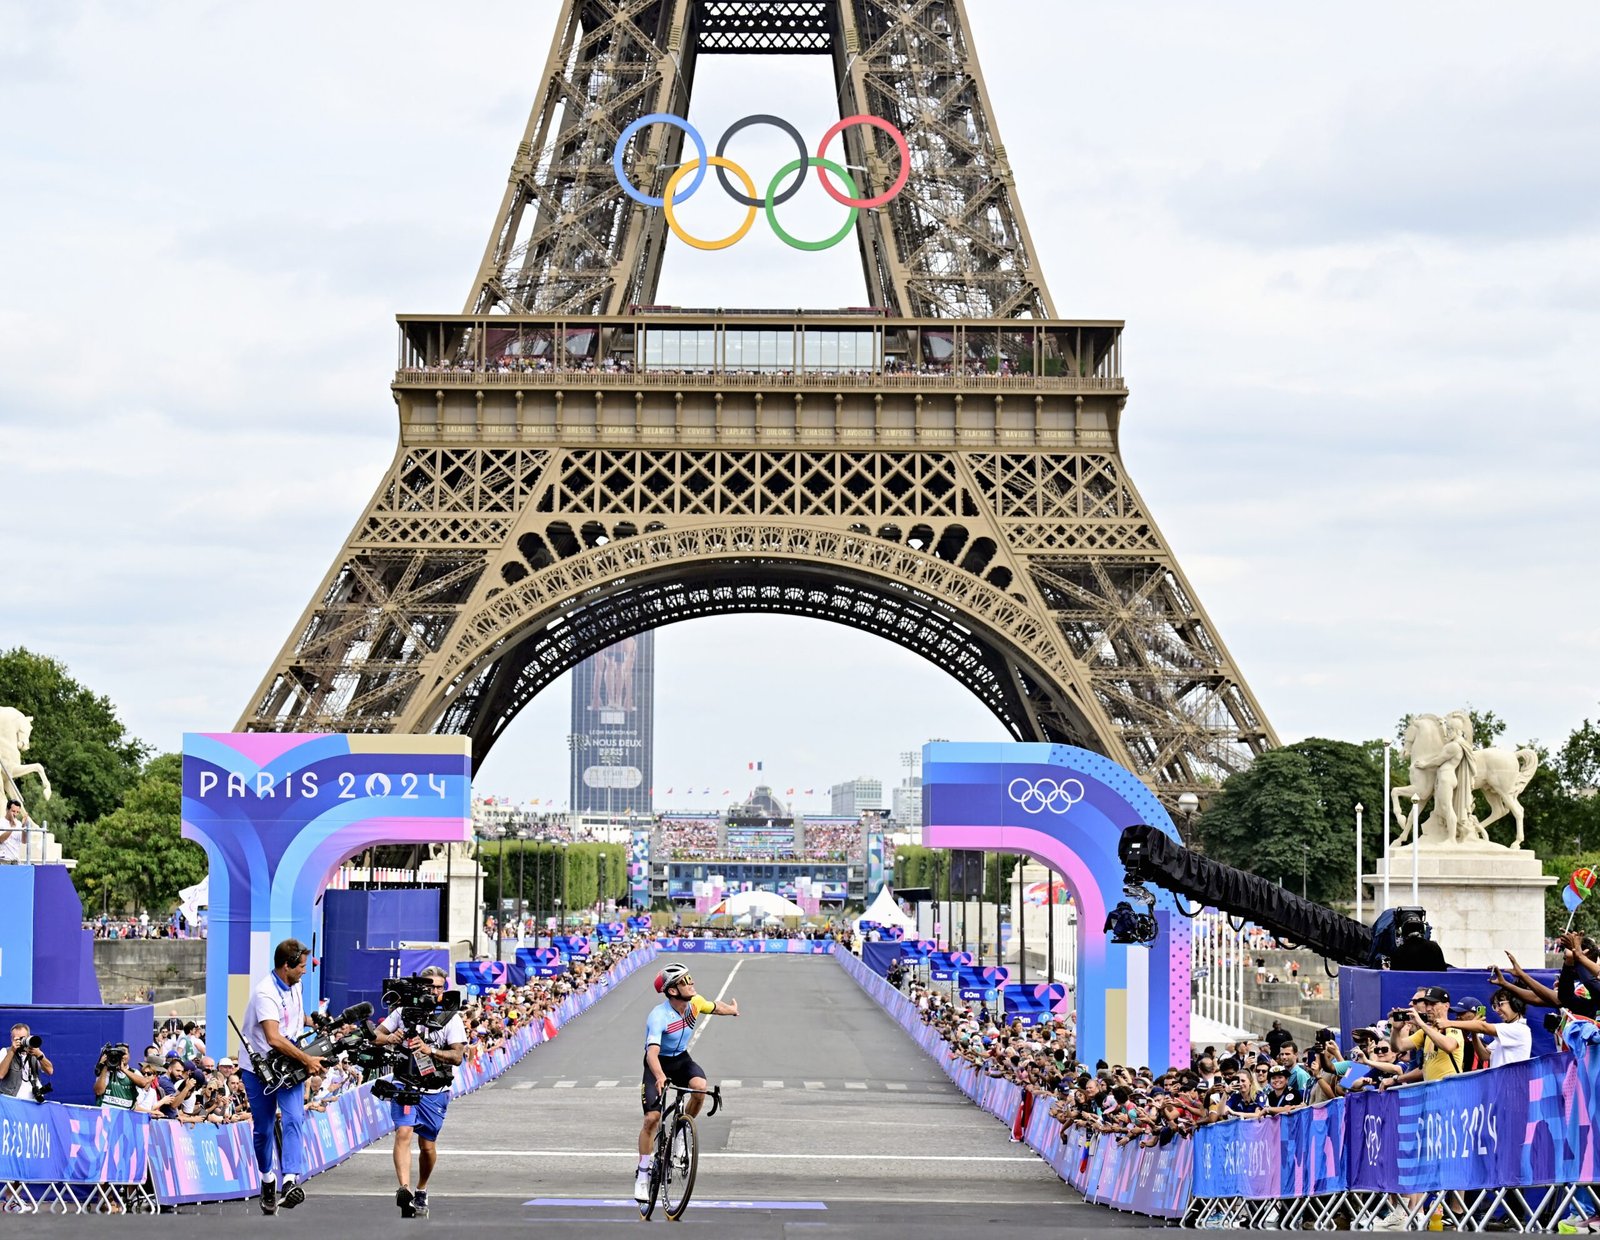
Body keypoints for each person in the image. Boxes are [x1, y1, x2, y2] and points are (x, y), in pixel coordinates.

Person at [636, 963, 739, 1205]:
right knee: (652, 1119)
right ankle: (642, 1174)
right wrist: (660, 1076)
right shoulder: (658, 1016)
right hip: (657, 1064)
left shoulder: (695, 1003)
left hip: (681, 1059)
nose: (691, 982)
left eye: (690, 977)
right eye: (685, 980)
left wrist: (732, 1010)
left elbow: (715, 1007)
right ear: (672, 991)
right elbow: (651, 1054)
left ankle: (681, 1132)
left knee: (700, 1087)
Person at [238, 938, 324, 1215]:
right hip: (260, 1069)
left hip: (288, 1065)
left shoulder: (294, 986)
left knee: (294, 1118)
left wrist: (319, 1022)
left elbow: (295, 1020)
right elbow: (274, 1038)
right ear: (286, 966)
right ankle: (267, 1179)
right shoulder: (265, 993)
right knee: (262, 1130)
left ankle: (289, 1181)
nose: (305, 971)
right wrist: (307, 1058)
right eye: (301, 966)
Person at [373, 966, 466, 1219]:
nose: (433, 991)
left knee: (427, 1146)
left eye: (438, 987)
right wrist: (391, 1037)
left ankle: (421, 1188)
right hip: (405, 1081)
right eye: (429, 986)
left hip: (435, 1090)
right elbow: (376, 1036)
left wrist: (430, 1051)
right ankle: (403, 1189)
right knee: (403, 1131)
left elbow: (457, 1056)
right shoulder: (402, 1012)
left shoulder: (450, 1017)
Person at [1444, 989, 1531, 1068]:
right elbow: (1484, 1055)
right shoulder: (1511, 1030)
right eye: (1495, 1006)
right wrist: (1474, 1032)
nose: (1497, 1010)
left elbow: (1483, 1027)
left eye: (1500, 1004)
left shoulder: (1520, 1029)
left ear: (1516, 1003)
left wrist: (1448, 1023)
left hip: (1511, 1085)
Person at [0, 1022, 54, 1100]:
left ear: (28, 1037)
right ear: (12, 1039)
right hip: (13, 1101)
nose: (21, 1041)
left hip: (33, 1101)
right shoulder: (5, 1051)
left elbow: (50, 1071)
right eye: (17, 1038)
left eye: (23, 1038)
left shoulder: (35, 1051)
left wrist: (39, 1055)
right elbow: (0, 1075)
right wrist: (12, 1051)